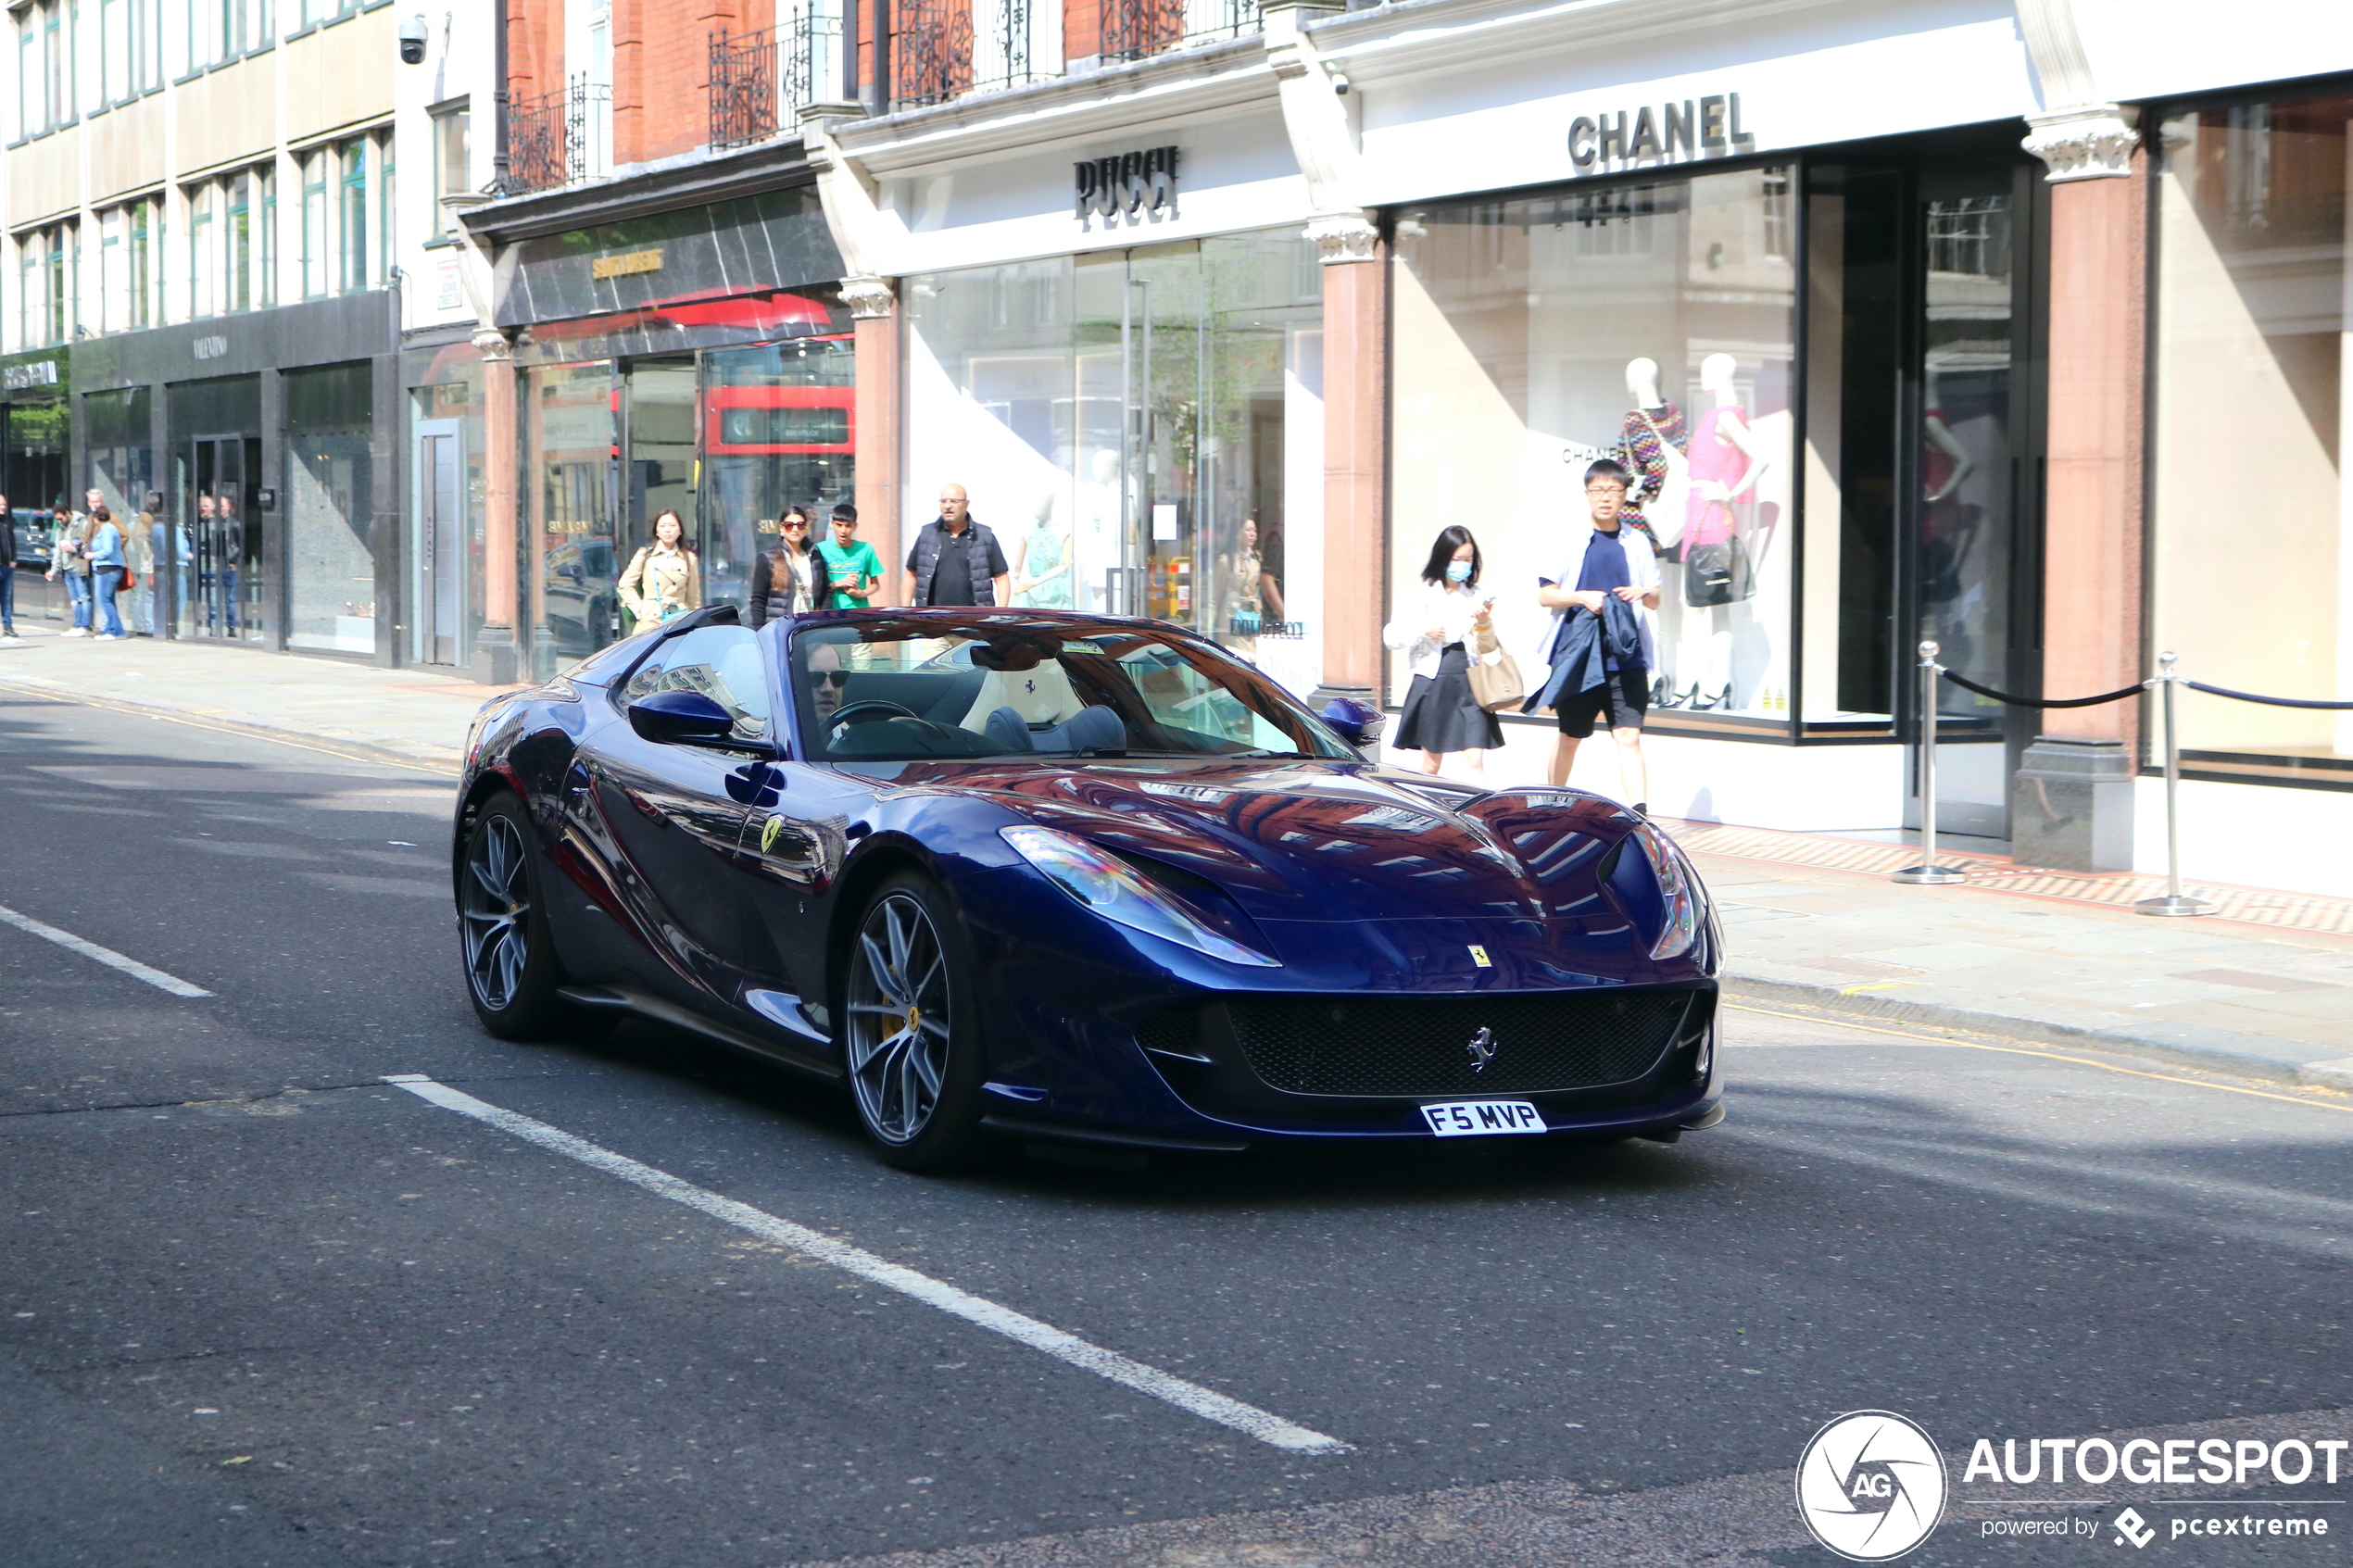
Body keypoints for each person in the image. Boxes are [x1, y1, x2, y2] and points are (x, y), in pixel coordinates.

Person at [1539, 458, 1661, 810]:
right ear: (1587, 494)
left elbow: (1655, 599)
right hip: (1581, 656)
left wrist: (1642, 591)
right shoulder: (1571, 539)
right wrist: (1581, 597)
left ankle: (1641, 814)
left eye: (1613, 491)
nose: (1606, 498)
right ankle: (1553, 803)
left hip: (1627, 654)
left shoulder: (1637, 541)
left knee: (1630, 737)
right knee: (1570, 737)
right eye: (1598, 491)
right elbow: (1545, 595)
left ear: (1625, 496)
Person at [1383, 525, 1503, 783]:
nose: (1463, 565)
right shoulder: (1420, 594)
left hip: (1470, 681)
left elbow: (1489, 645)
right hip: (1433, 681)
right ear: (1443, 557)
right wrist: (1423, 631)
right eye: (1457, 559)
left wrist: (1484, 622)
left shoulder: (1477, 596)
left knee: (1475, 760)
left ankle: (1480, 815)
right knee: (1431, 764)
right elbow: (1391, 637)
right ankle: (1423, 811)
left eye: (1468, 559)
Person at [905, 483, 1009, 608]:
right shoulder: (927, 535)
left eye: (954, 501)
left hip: (976, 619)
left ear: (966, 504)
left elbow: (1001, 577)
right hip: (932, 618)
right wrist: (904, 611)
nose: (947, 506)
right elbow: (910, 574)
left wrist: (1002, 613)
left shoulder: (984, 536)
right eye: (943, 501)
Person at [747, 506, 833, 629]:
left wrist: (823, 618)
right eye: (789, 525)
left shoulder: (815, 555)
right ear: (782, 528)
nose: (795, 529)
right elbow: (758, 600)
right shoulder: (767, 558)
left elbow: (827, 590)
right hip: (779, 629)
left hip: (810, 629)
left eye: (800, 525)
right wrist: (760, 632)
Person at [618, 509, 700, 627]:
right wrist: (640, 609)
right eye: (662, 526)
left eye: (672, 525)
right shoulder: (645, 555)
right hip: (650, 622)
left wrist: (695, 624)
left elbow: (694, 599)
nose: (668, 530)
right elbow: (625, 585)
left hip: (679, 620)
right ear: (656, 531)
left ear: (680, 530)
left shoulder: (689, 558)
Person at [817, 502, 883, 606]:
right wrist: (839, 583)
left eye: (848, 526)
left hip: (858, 611)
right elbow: (815, 587)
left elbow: (875, 584)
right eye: (839, 525)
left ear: (855, 527)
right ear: (832, 524)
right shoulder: (820, 549)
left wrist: (861, 593)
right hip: (829, 611)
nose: (843, 531)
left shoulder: (866, 549)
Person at [46, 496, 94, 637]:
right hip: (67, 568)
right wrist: (54, 570)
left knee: (84, 597)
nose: (59, 522)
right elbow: (57, 551)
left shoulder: (82, 523)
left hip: (78, 566)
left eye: (61, 518)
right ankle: (77, 624)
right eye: (57, 519)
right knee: (75, 599)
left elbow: (88, 543)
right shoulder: (61, 529)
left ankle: (85, 626)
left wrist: (74, 548)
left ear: (67, 513)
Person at [85, 493, 128, 641]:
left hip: (108, 568)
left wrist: (93, 555)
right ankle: (111, 630)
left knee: (103, 599)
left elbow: (108, 550)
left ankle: (115, 630)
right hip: (105, 568)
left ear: (97, 518)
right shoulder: (105, 528)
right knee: (107, 600)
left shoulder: (108, 529)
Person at [126, 492, 160, 636]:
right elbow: (139, 537)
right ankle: (145, 625)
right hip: (144, 564)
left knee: (138, 596)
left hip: (136, 563)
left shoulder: (134, 520)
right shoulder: (146, 519)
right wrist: (150, 544)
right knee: (146, 596)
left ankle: (138, 624)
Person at [0, 492, 19, 643]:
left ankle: (8, 626)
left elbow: (12, 542)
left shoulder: (7, 522)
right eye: (0, 505)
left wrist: (13, 559)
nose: (3, 507)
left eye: (4, 504)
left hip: (7, 566)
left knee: (6, 598)